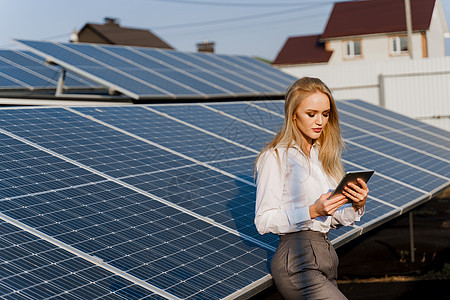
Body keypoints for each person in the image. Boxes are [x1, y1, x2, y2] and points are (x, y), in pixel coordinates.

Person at [255, 77, 369, 299]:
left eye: (325, 114)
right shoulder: (276, 157)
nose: (320, 121)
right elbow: (263, 220)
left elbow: (331, 219)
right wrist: (312, 211)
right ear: (293, 114)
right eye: (311, 114)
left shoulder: (323, 158)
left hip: (326, 255)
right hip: (297, 261)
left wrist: (357, 204)